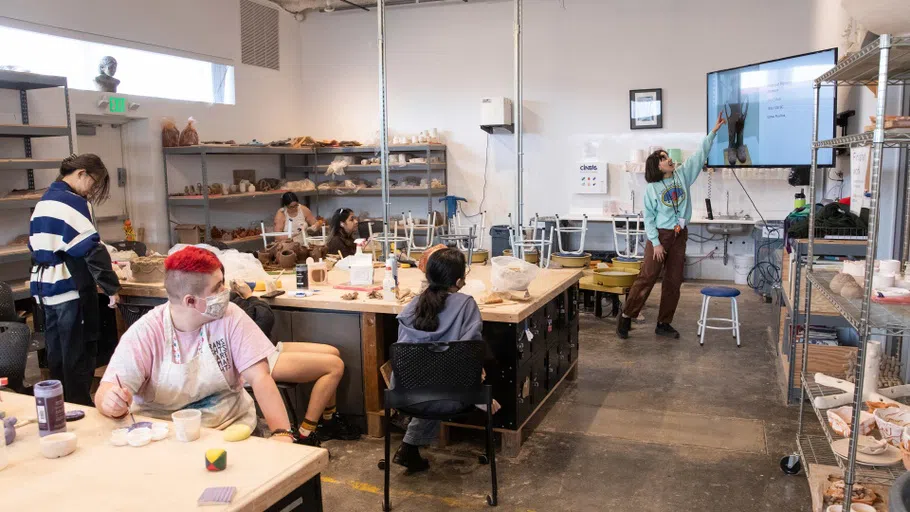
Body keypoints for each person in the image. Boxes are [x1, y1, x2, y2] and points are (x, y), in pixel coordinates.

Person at [94, 247, 297, 443]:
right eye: (218, 288)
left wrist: (282, 433)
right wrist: (111, 402)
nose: (225, 291)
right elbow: (107, 390)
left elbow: (260, 378)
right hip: (166, 438)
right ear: (190, 301)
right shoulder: (146, 333)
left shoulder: (230, 316)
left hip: (232, 428)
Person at [617, 112, 727, 340]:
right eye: (663, 158)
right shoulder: (652, 189)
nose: (669, 159)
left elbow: (699, 155)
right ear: (656, 166)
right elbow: (648, 218)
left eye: (668, 156)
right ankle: (627, 315)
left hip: (679, 234)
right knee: (647, 277)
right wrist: (655, 243)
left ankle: (663, 323)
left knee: (673, 281)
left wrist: (713, 132)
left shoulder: (682, 176)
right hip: (660, 236)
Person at [392, 248, 498, 473]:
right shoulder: (466, 304)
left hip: (404, 394)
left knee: (432, 380)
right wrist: (478, 387)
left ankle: (409, 447)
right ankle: (410, 447)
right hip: (451, 396)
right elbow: (468, 355)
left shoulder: (414, 304)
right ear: (459, 281)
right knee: (455, 379)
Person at [29, 154, 121, 406]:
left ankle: (59, 407)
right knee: (77, 352)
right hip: (68, 287)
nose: (92, 189)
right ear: (81, 174)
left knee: (57, 352)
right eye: (94, 182)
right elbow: (90, 249)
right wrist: (111, 287)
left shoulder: (44, 201)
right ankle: (79, 407)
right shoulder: (73, 202)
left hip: (44, 288)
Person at [229, 279, 361, 443]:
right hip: (250, 362)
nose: (222, 287)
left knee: (333, 352)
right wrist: (249, 297)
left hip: (261, 348)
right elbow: (264, 321)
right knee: (334, 367)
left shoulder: (225, 300)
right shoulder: (221, 308)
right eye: (218, 284)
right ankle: (306, 433)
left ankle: (329, 420)